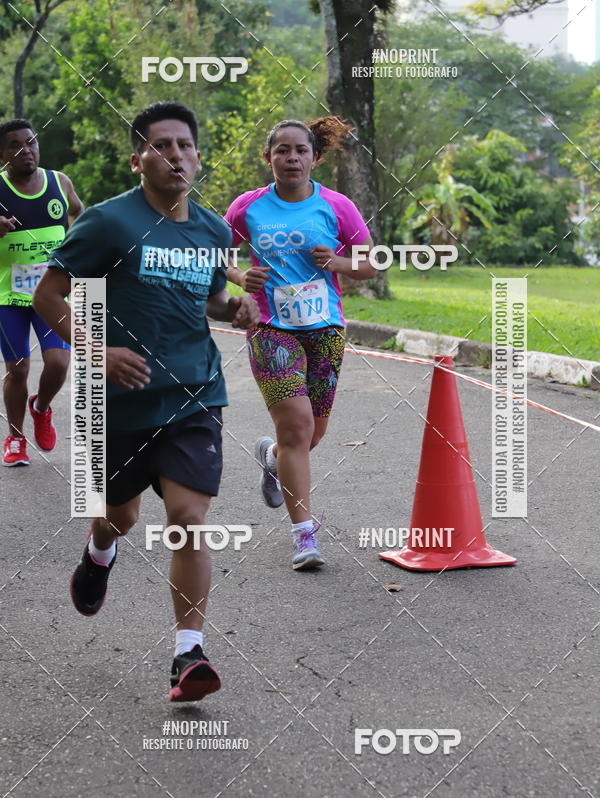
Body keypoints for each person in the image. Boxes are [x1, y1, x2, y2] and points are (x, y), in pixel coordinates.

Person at [33, 101, 259, 702]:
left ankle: (189, 655)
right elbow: (47, 294)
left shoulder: (212, 229)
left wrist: (232, 308)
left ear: (198, 157)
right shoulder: (108, 223)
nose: (175, 156)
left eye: (185, 145)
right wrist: (95, 349)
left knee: (188, 520)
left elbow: (206, 298)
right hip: (117, 402)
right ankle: (99, 550)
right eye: (161, 146)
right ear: (139, 160)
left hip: (194, 395)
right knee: (121, 516)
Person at [225, 117, 376, 571]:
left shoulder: (337, 205)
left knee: (313, 433)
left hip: (325, 328)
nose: (291, 158)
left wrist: (339, 262)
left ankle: (272, 459)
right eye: (282, 150)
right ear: (268, 157)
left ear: (314, 157)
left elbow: (370, 263)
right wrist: (237, 275)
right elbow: (210, 252)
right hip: (271, 329)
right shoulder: (247, 208)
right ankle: (303, 535)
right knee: (295, 427)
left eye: (300, 151)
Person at [0, 119, 84, 466]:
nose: (26, 150)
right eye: (16, 145)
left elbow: (80, 214)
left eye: (31, 142)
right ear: (3, 154)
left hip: (50, 294)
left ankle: (41, 407)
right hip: (9, 298)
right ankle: (15, 438)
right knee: (18, 369)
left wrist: (79, 247)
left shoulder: (59, 182)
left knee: (60, 362)